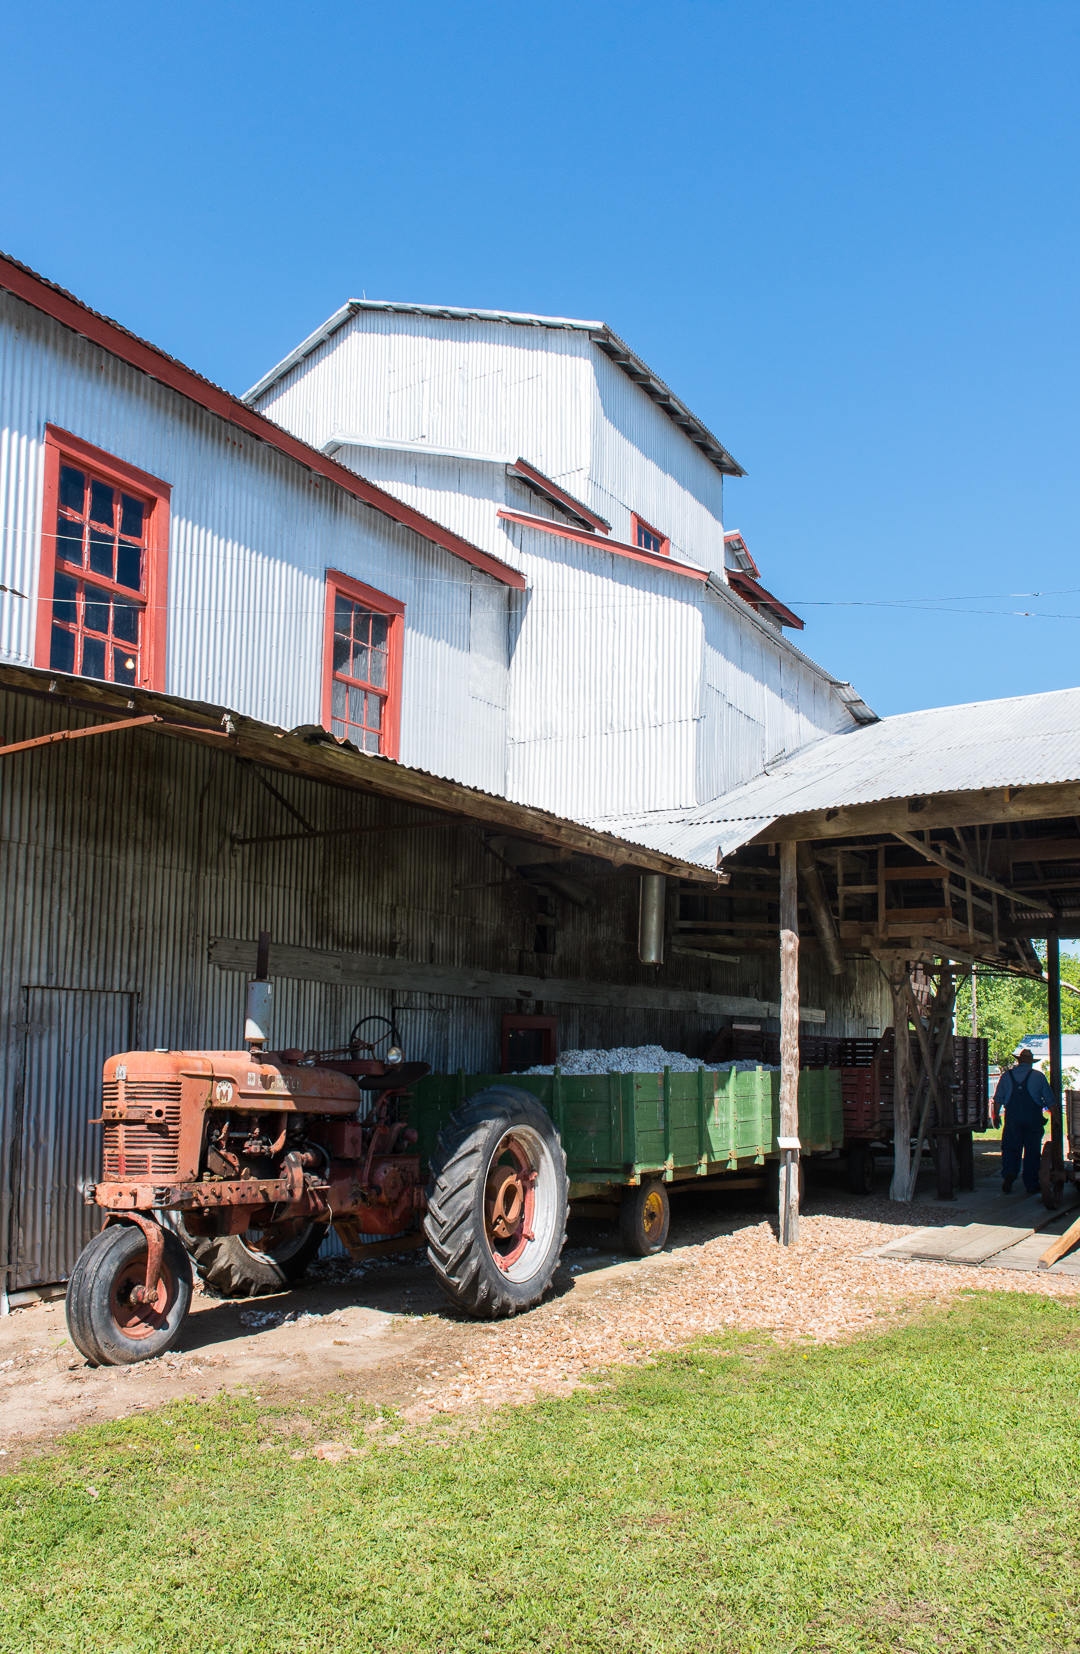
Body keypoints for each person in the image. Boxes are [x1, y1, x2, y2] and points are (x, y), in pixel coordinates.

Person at [991, 1048, 1053, 1194]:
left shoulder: (1006, 1076)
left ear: (1018, 1061)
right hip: (1033, 1119)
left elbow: (998, 1099)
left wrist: (995, 1117)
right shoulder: (1038, 1077)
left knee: (1010, 1148)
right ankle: (1031, 1184)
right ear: (1031, 1062)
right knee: (1032, 1152)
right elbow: (1050, 1100)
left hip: (1012, 1119)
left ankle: (1009, 1173)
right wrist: (1056, 1117)